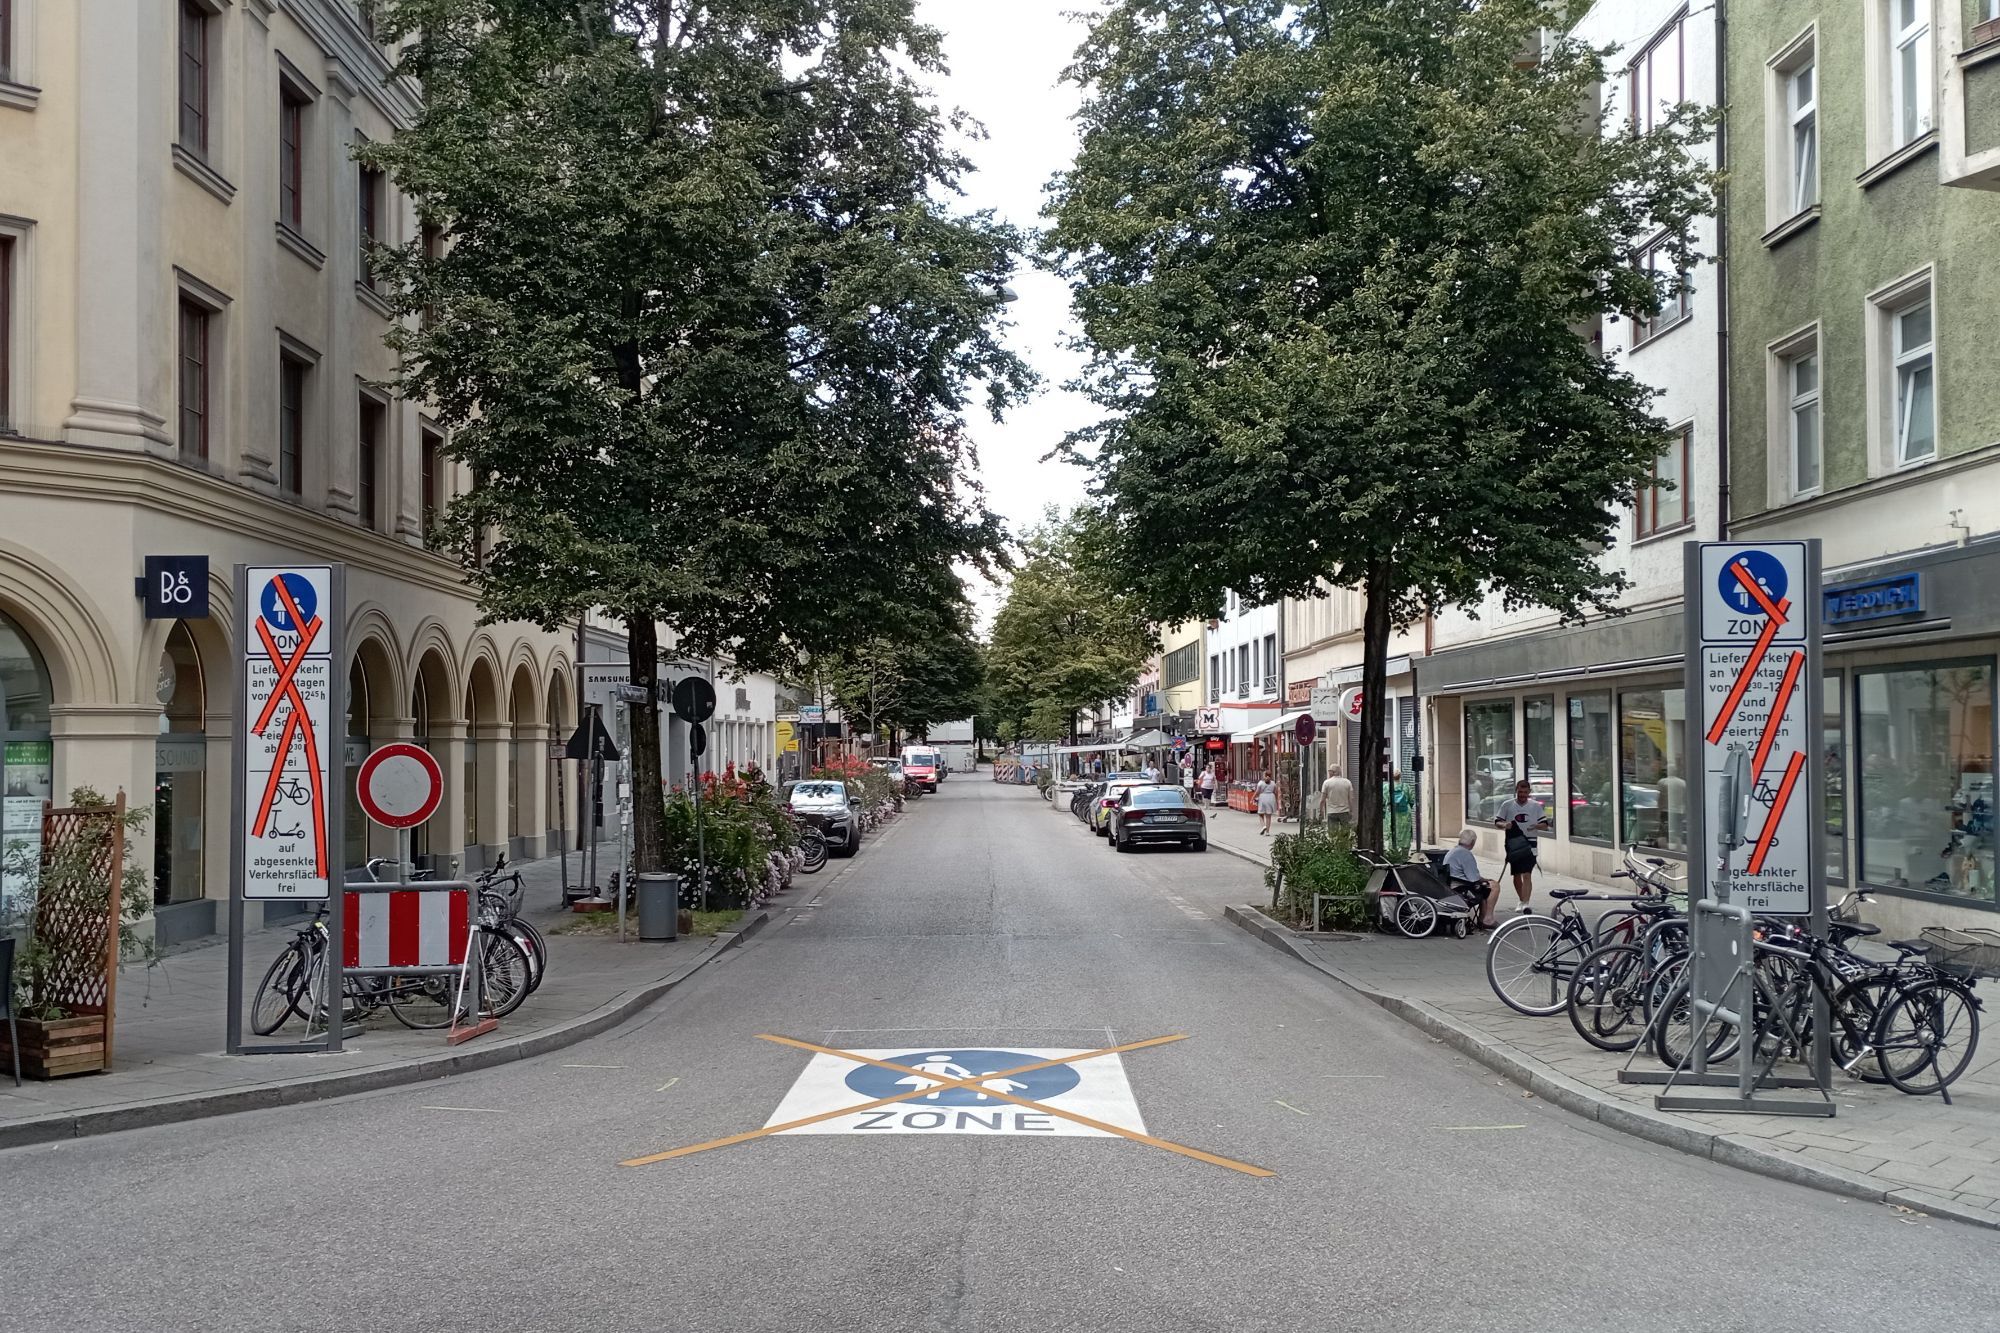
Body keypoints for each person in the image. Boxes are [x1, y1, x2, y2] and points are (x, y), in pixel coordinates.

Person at [1493, 778, 1551, 911]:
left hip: (1530, 842)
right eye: (1520, 792)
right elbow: (1497, 822)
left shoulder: (1535, 806)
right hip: (1513, 843)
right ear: (1516, 791)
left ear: (1529, 792)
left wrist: (1536, 826)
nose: (1523, 795)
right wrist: (1505, 825)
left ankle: (1526, 903)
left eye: (1525, 792)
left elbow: (1545, 825)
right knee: (1516, 873)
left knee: (1527, 873)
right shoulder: (1507, 805)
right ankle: (1521, 899)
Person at [1443, 828, 1498, 929]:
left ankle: (1482, 919)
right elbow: (1473, 878)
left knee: (1483, 887)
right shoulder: (1465, 854)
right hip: (1462, 888)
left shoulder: (1452, 851)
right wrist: (1486, 879)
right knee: (1494, 885)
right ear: (1472, 842)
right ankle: (1487, 919)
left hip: (1452, 885)